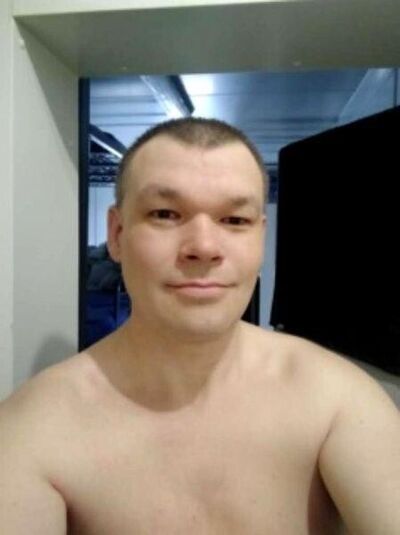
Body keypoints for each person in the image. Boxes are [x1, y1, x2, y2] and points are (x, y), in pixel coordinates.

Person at [1, 117, 399, 535]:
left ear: (261, 238)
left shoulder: (336, 400)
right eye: (165, 214)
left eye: (235, 220)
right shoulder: (34, 431)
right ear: (116, 234)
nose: (204, 247)